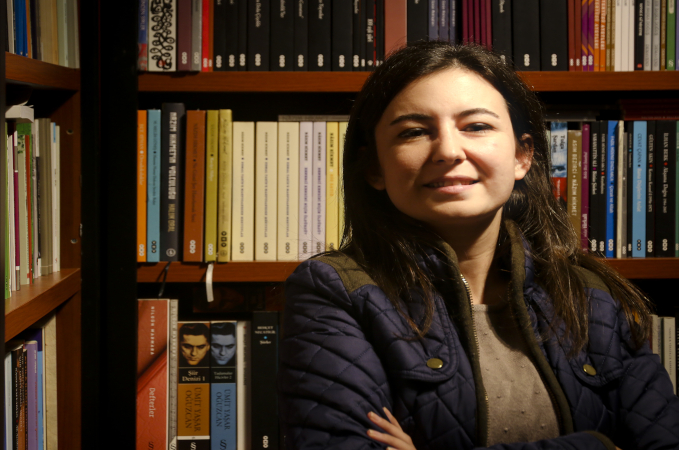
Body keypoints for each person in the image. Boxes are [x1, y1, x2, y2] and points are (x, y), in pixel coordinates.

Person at [278, 41, 679, 450]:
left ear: (522, 156)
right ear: (375, 168)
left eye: (476, 126)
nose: (449, 151)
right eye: (414, 132)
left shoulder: (590, 295)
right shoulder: (334, 291)